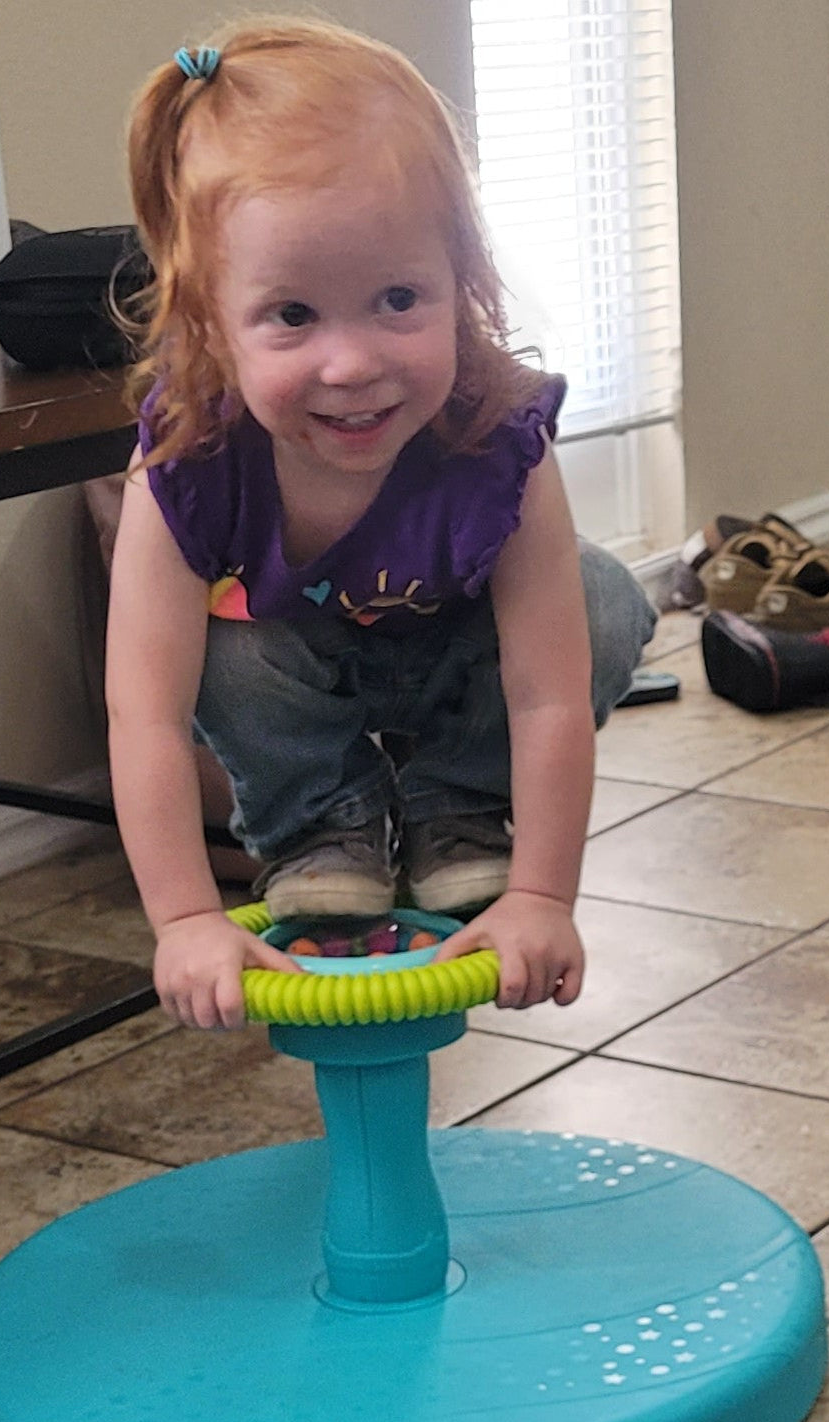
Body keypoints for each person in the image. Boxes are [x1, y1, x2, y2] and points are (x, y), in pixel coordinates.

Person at [106, 17, 656, 1033]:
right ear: (209, 322)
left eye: (399, 298)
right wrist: (184, 916)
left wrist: (542, 894)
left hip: (463, 671)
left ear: (465, 286)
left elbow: (546, 697)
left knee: (601, 596)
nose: (351, 364)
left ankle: (459, 809)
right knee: (211, 658)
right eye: (292, 316)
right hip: (297, 686)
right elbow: (143, 713)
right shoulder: (185, 461)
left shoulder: (501, 436)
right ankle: (322, 827)